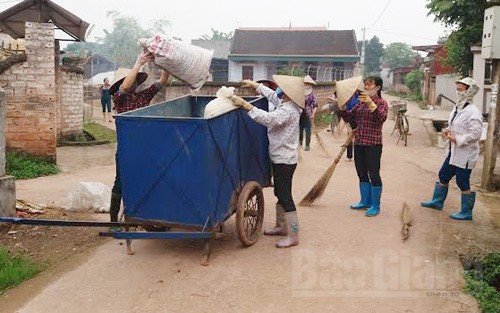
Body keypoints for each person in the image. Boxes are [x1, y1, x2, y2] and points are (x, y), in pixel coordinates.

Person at [232, 75, 304, 248]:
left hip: (284, 160)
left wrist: (247, 106)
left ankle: (293, 235)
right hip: (282, 157)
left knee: (285, 196)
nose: (278, 89)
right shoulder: (287, 103)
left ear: (288, 92)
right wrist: (257, 86)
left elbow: (269, 119)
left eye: (281, 87)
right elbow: (273, 96)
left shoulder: (288, 110)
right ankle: (281, 226)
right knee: (280, 192)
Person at [108, 51, 170, 230]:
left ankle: (147, 220)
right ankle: (113, 222)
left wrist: (166, 65)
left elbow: (161, 82)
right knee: (121, 182)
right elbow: (125, 88)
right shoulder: (119, 99)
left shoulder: (143, 96)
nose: (133, 82)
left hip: (145, 148)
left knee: (147, 181)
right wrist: (138, 63)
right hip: (126, 149)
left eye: (135, 79)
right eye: (130, 79)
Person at [421, 77, 482, 221]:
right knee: (443, 175)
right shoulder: (458, 107)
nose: (458, 92)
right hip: (453, 152)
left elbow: (476, 134)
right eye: (457, 89)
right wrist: (448, 130)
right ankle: (437, 202)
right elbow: (454, 124)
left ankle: (466, 212)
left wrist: (457, 139)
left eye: (460, 90)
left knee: (462, 182)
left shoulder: (473, 112)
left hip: (465, 154)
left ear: (470, 91)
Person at [338, 76, 388, 217]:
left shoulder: (382, 103)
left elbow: (381, 118)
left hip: (373, 144)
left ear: (377, 88)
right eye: (365, 85)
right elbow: (350, 117)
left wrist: (370, 103)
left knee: (374, 174)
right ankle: (364, 201)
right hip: (359, 142)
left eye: (369, 85)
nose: (366, 87)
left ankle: (375, 205)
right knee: (361, 173)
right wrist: (341, 107)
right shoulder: (360, 103)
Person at [300, 75, 318, 151]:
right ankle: (299, 143)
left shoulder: (312, 94)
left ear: (310, 84)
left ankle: (307, 145)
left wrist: (313, 114)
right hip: (299, 113)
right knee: (300, 129)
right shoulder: (300, 92)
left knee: (307, 130)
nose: (306, 84)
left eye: (307, 83)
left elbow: (315, 105)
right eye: (305, 83)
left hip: (308, 114)